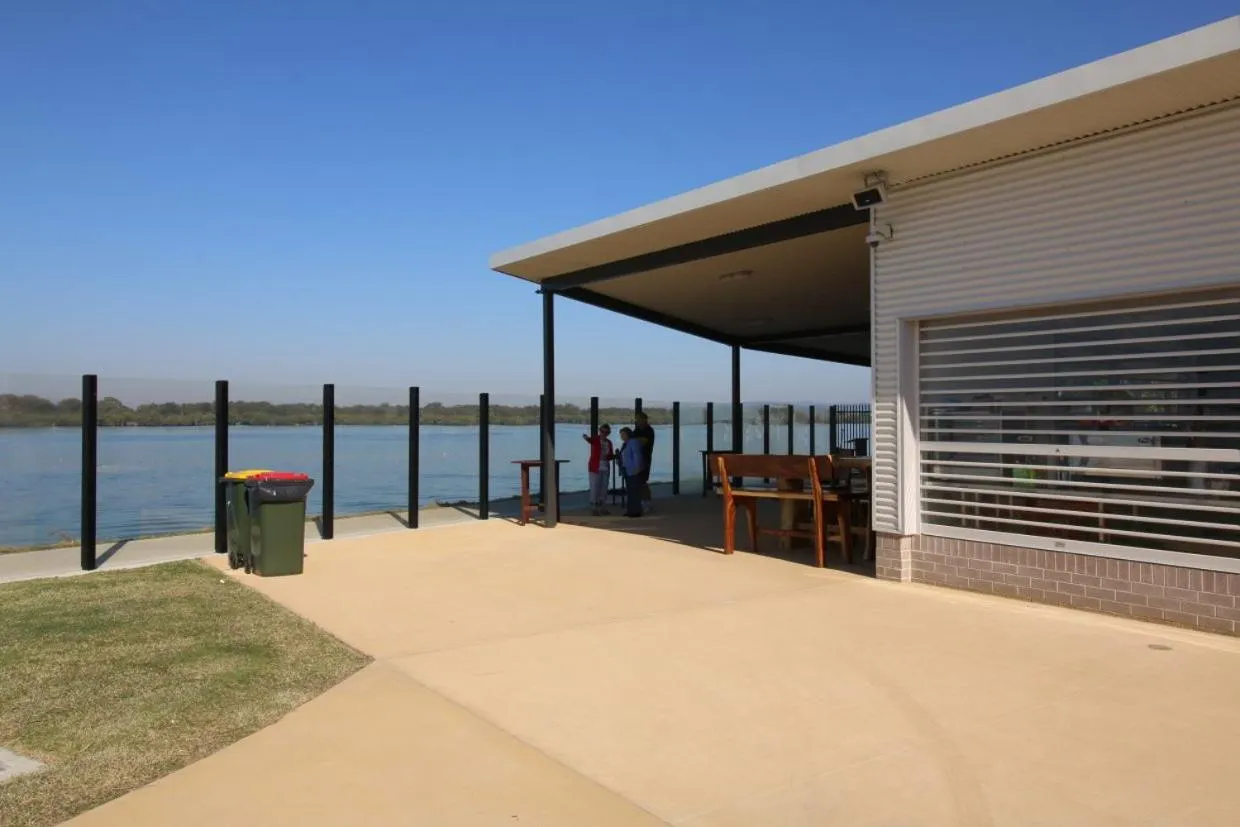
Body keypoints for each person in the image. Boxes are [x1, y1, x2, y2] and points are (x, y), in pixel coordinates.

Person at [582, 423, 614, 516]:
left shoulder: (609, 442)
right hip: (595, 466)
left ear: (609, 433)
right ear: (600, 431)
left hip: (605, 466)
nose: (604, 433)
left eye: (606, 432)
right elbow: (590, 440)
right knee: (595, 487)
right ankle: (593, 508)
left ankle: (602, 507)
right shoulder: (596, 440)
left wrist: (613, 456)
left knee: (604, 488)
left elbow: (610, 455)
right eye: (602, 431)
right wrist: (586, 437)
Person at [618, 427, 645, 518]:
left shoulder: (633, 442)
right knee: (630, 491)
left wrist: (637, 468)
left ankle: (636, 511)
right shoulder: (625, 444)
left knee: (634, 491)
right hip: (627, 470)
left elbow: (637, 455)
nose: (621, 436)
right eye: (621, 434)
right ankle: (630, 510)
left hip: (633, 470)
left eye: (623, 434)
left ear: (628, 434)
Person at [633, 411, 656, 512]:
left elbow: (642, 441)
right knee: (638, 481)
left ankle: (647, 502)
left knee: (643, 481)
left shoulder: (649, 430)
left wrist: (634, 440)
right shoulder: (637, 430)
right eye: (636, 420)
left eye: (638, 420)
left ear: (644, 420)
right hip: (636, 458)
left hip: (645, 458)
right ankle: (641, 501)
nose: (637, 421)